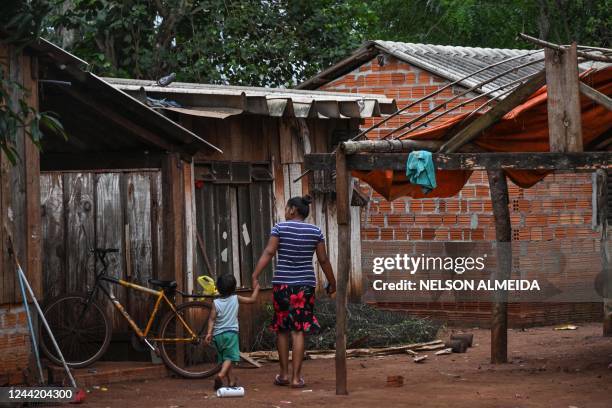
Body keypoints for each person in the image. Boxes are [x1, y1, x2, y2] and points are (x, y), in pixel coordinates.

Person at [251, 195, 336, 388]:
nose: (285, 211)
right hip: (305, 286)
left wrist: (255, 275)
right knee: (299, 331)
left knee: (282, 329)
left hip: (282, 284)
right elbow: (323, 260)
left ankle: (283, 375)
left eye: (287, 208)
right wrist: (333, 283)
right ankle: (297, 378)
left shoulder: (280, 228)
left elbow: (269, 252)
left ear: (292, 210)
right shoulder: (316, 231)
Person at [205, 274, 260, 390]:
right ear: (234, 288)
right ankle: (221, 375)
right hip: (231, 334)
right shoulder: (236, 298)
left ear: (218, 288)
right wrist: (256, 289)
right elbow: (252, 300)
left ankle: (231, 381)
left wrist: (209, 333)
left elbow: (211, 319)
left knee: (226, 359)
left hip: (217, 336)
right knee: (230, 357)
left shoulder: (216, 303)